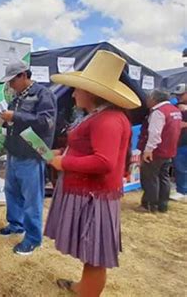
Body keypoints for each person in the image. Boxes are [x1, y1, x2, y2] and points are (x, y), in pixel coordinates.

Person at [44, 50, 142, 296]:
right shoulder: (103, 116)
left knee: (95, 254)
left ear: (91, 92)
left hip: (93, 195)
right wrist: (63, 153)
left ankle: (87, 292)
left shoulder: (107, 119)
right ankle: (83, 288)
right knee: (91, 251)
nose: (74, 93)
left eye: (78, 88)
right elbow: (89, 149)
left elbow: (103, 162)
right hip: (90, 193)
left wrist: (64, 164)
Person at [0, 61, 57, 255]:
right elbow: (17, 123)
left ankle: (33, 239)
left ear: (23, 75)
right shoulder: (16, 97)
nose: (10, 85)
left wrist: (15, 116)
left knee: (32, 199)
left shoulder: (43, 94)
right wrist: (4, 122)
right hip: (14, 151)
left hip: (32, 153)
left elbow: (46, 122)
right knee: (11, 191)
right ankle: (16, 224)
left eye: (12, 80)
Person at [137, 89, 182, 212]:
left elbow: (154, 133)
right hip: (169, 150)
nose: (146, 100)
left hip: (156, 151)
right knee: (164, 177)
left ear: (154, 99)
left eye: (148, 98)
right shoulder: (175, 110)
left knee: (150, 178)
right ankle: (163, 205)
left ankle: (149, 205)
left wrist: (148, 150)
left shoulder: (158, 112)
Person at [171, 84, 187, 198]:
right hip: (179, 142)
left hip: (182, 141)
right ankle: (182, 191)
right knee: (179, 167)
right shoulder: (175, 106)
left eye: (181, 95)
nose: (178, 97)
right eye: (177, 95)